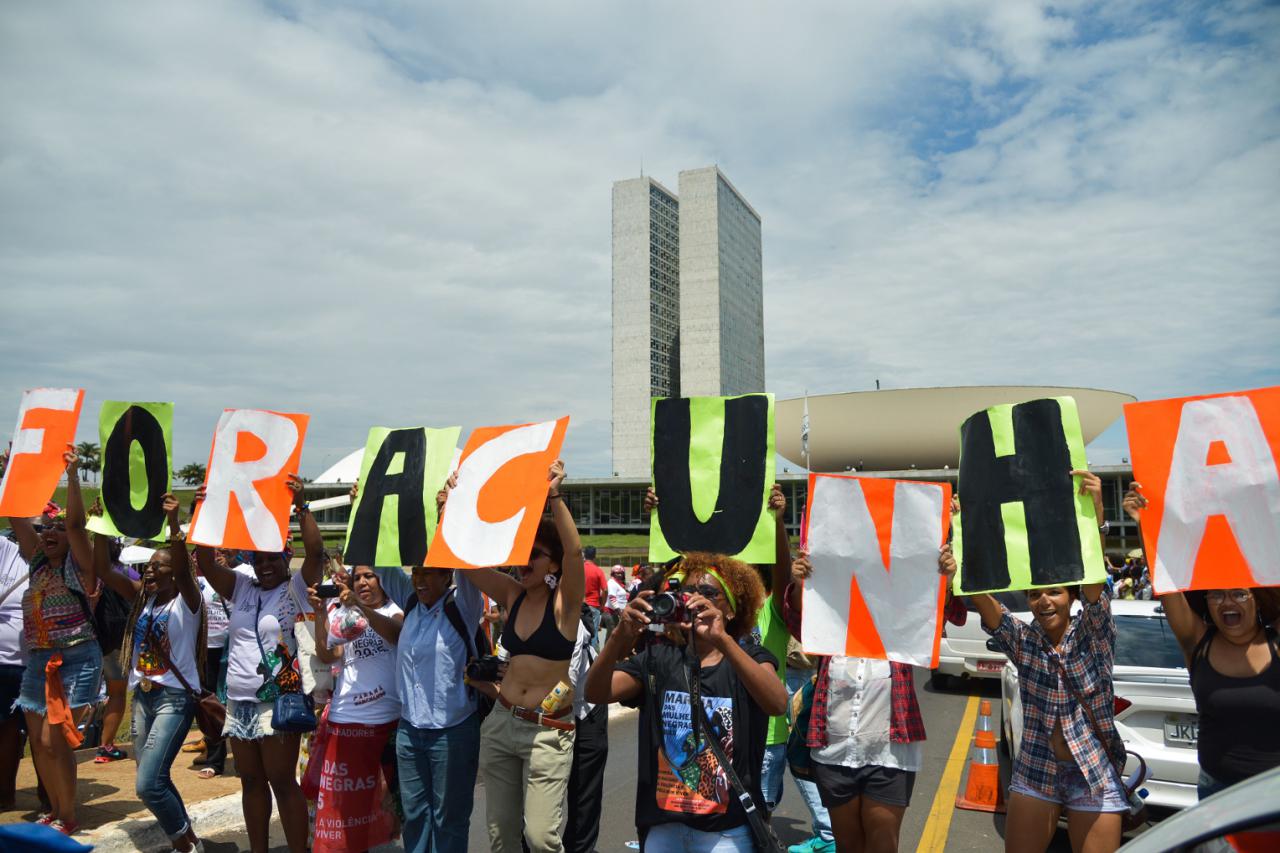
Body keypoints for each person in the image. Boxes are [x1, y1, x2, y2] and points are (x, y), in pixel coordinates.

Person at [963, 470, 1126, 853]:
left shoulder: (1094, 634)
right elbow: (990, 609)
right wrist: (962, 535)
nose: (1044, 601)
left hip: (1094, 774)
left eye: (1054, 592)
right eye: (1035, 594)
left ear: (1071, 598)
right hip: (1037, 768)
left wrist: (1096, 512)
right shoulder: (1025, 641)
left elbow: (1095, 581)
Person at [585, 551, 787, 851]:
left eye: (707, 592)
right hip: (665, 826)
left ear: (731, 610)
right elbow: (596, 693)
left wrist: (723, 640)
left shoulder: (750, 660)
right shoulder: (659, 659)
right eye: (686, 591)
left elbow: (777, 703)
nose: (693, 599)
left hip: (726, 832)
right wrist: (618, 637)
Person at [785, 545, 965, 853]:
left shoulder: (904, 628)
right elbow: (799, 620)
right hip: (835, 753)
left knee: (883, 844)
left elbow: (941, 620)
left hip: (889, 755)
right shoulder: (831, 627)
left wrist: (944, 581)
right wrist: (802, 582)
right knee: (848, 846)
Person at [192, 475, 323, 853]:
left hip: (279, 700)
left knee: (282, 780)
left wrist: (302, 505)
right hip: (239, 699)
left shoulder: (296, 588)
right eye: (259, 559)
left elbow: (315, 555)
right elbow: (202, 561)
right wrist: (204, 512)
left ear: (285, 559)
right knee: (250, 781)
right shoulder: (241, 587)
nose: (265, 566)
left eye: (272, 559)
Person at [1123, 483, 1280, 799]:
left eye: (1238, 593)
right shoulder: (1197, 642)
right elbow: (1165, 583)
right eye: (1217, 595)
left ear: (1257, 599)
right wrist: (1146, 526)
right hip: (1215, 795)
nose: (1227, 602)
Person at [464, 460, 585, 853]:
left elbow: (576, 552)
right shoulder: (513, 596)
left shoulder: (565, 606)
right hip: (503, 724)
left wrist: (554, 496)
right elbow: (467, 566)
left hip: (548, 732)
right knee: (501, 837)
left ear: (552, 563)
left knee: (540, 838)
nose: (524, 561)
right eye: (521, 552)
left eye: (535, 554)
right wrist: (455, 508)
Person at [93, 494, 206, 852]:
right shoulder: (145, 599)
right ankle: (188, 838)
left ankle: (184, 844)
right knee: (155, 779)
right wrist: (100, 526)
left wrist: (174, 525)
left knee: (148, 785)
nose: (151, 571)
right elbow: (103, 569)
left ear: (177, 572)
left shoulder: (188, 602)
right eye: (150, 566)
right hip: (143, 696)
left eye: (160, 566)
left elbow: (188, 573)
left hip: (174, 699)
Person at [4, 449, 100, 836]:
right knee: (39, 744)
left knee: (55, 740)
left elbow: (76, 525)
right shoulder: (37, 562)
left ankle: (67, 813)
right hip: (39, 661)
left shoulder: (80, 564)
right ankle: (56, 810)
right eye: (45, 529)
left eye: (57, 529)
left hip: (75, 658)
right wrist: (13, 471)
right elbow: (14, 513)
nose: (50, 534)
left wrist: (73, 474)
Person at [306, 565, 403, 853]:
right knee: (340, 815)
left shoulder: (393, 610)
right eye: (357, 577)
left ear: (383, 581)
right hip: (344, 724)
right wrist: (321, 612)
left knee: (383, 812)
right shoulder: (342, 614)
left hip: (385, 727)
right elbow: (328, 654)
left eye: (369, 576)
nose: (362, 582)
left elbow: (396, 633)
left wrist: (360, 606)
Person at [564, 613, 605, 853]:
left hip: (586, 707)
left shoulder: (571, 620)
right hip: (544, 713)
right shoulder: (521, 609)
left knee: (584, 793)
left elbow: (565, 684)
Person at [0, 529, 33, 811]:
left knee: (43, 737)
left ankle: (51, 799)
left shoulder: (52, 563)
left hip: (37, 664)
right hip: (4, 664)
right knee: (7, 731)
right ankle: (5, 795)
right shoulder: (6, 551)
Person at [193, 550, 233, 778]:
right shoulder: (197, 582)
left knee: (232, 701)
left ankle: (242, 752)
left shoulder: (240, 578)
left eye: (222, 552)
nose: (217, 556)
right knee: (208, 704)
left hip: (233, 650)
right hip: (205, 649)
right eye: (212, 553)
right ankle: (214, 759)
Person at [581, 546, 606, 647]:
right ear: (595, 556)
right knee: (593, 634)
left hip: (579, 605)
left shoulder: (579, 569)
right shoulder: (598, 571)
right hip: (593, 605)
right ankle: (593, 659)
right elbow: (605, 590)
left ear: (584, 555)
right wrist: (602, 605)